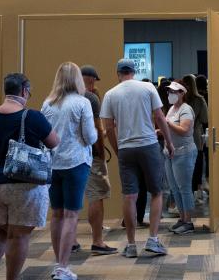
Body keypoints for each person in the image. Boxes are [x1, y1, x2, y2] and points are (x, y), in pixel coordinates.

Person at [0, 72, 60, 280]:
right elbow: (54, 142)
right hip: (23, 183)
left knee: (0, 230)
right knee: (19, 234)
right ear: (24, 91)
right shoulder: (32, 117)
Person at [100, 58, 176, 258]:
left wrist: (118, 150)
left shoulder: (110, 94)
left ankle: (131, 244)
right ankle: (153, 240)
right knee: (157, 192)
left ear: (118, 73)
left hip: (126, 148)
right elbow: (159, 117)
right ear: (133, 71)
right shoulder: (147, 88)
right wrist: (169, 142)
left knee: (130, 196)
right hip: (149, 144)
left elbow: (108, 128)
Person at [41, 62, 97, 280]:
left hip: (53, 164)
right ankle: (63, 267)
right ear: (77, 79)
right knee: (71, 215)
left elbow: (43, 135)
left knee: (56, 215)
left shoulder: (47, 104)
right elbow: (90, 137)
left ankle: (59, 262)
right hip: (76, 163)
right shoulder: (82, 103)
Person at [77, 64, 116, 255]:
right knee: (96, 196)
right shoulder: (90, 98)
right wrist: (101, 152)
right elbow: (97, 131)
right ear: (91, 80)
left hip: (67, 157)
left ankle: (70, 241)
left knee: (70, 200)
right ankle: (97, 241)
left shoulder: (58, 98)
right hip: (90, 155)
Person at [163, 80, 198, 234]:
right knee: (174, 188)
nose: (170, 94)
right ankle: (182, 218)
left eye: (174, 92)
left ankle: (188, 221)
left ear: (182, 93)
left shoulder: (186, 109)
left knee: (184, 188)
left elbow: (184, 129)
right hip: (170, 153)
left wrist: (167, 124)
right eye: (169, 92)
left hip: (184, 153)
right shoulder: (171, 109)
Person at [181, 74, 208, 202]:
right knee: (196, 166)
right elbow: (205, 119)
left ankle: (185, 196)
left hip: (181, 135)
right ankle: (195, 193)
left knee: (183, 168)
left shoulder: (181, 99)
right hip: (195, 135)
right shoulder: (200, 100)